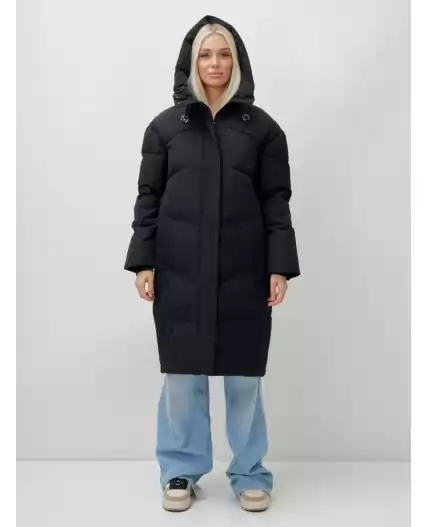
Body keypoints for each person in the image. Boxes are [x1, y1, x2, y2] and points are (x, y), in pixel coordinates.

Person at [124, 14, 300, 512]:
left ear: (237, 62)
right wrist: (144, 262)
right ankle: (180, 469)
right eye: (205, 54)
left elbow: (276, 201)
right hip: (179, 271)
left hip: (245, 272)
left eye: (224, 54)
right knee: (182, 378)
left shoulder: (263, 130)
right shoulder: (165, 128)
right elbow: (148, 199)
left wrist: (279, 266)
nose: (215, 63)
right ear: (191, 62)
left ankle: (250, 471)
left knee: (244, 379)